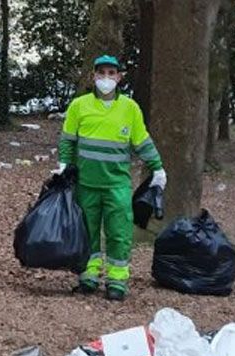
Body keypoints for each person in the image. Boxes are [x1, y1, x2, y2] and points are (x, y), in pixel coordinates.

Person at [55, 55, 165, 302]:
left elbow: (142, 141)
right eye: (101, 72)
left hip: (117, 185)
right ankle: (88, 275)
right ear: (93, 76)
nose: (106, 78)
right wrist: (63, 164)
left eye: (111, 73)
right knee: (88, 231)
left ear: (119, 77)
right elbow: (68, 139)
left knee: (119, 232)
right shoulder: (79, 106)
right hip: (86, 183)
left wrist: (157, 168)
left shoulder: (130, 108)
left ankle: (117, 280)